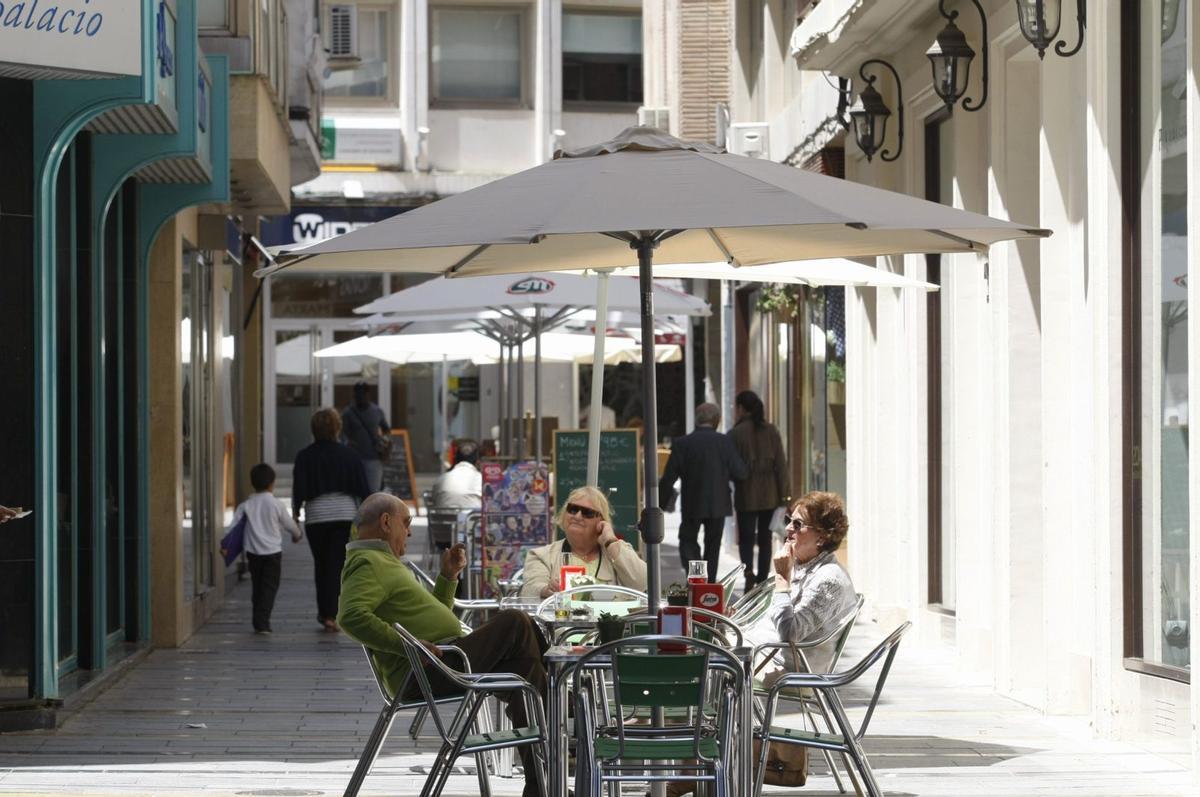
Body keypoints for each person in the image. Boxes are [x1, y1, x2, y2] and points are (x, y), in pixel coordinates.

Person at [338, 493, 549, 797]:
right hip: (426, 671)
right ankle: (561, 693)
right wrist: (409, 646)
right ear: (386, 522)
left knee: (526, 672)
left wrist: (448, 577)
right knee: (515, 622)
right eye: (406, 523)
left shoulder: (384, 562)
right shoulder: (368, 563)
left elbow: (432, 619)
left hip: (442, 660)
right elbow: (350, 616)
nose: (409, 532)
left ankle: (538, 787)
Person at [748, 491, 857, 683]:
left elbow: (790, 634)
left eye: (797, 524)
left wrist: (782, 580)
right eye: (789, 520)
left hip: (788, 668)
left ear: (822, 537)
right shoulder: (801, 565)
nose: (788, 528)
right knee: (711, 645)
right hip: (762, 651)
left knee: (713, 659)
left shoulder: (829, 580)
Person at [293, 408, 370, 632]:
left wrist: (296, 512)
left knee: (322, 565)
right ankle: (332, 614)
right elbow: (363, 489)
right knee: (337, 565)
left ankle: (325, 613)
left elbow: (299, 488)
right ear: (337, 428)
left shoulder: (305, 456)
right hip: (343, 516)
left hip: (316, 517)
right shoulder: (349, 455)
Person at [658, 403, 748, 583]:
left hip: (693, 501)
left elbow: (668, 478)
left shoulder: (683, 443)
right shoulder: (725, 442)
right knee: (712, 546)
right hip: (718, 502)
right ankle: (708, 587)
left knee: (688, 540)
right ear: (716, 421)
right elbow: (741, 473)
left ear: (696, 420)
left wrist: (661, 504)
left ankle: (698, 578)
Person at [520, 485, 647, 599]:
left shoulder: (616, 551)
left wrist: (610, 540)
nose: (578, 516)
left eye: (587, 513)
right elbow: (529, 589)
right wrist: (546, 590)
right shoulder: (542, 555)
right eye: (573, 509)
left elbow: (642, 583)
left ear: (601, 521)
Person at [228, 463, 302, 634]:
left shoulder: (246, 505)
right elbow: (289, 524)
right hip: (273, 553)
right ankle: (262, 622)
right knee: (269, 587)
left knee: (257, 586)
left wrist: (227, 546)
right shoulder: (276, 504)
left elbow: (232, 528)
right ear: (272, 483)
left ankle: (258, 617)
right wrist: (297, 534)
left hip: (253, 554)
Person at [728, 390, 790, 594]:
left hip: (746, 493)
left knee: (746, 538)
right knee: (765, 538)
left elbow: (731, 466)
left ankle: (748, 574)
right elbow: (781, 465)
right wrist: (785, 495)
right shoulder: (771, 430)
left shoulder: (736, 433)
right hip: (770, 493)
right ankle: (763, 580)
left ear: (740, 409)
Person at [341, 381, 391, 491]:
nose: (361, 395)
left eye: (363, 392)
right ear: (354, 394)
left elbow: (386, 429)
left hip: (374, 459)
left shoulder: (377, 411)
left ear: (368, 394)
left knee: (373, 493)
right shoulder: (348, 413)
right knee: (355, 491)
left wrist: (384, 441)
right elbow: (342, 433)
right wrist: (347, 442)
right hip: (354, 459)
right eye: (358, 393)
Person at [431, 439, 482, 510]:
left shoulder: (441, 479)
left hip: (443, 520)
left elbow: (434, 499)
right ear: (477, 462)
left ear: (455, 460)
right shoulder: (481, 480)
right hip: (472, 520)